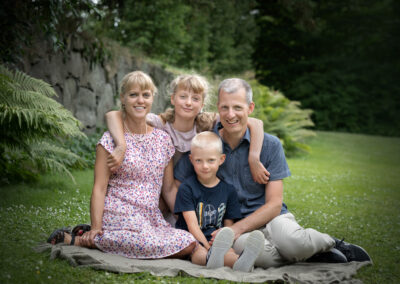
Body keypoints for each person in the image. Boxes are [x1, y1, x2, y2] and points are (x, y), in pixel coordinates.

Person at [174, 78, 372, 268]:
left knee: (294, 243)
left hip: (271, 219)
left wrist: (236, 229)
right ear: (218, 107)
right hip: (234, 227)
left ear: (250, 109)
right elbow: (177, 184)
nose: (230, 114)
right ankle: (311, 254)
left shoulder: (270, 145)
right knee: (261, 258)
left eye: (238, 107)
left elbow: (275, 204)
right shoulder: (207, 146)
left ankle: (331, 243)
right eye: (225, 107)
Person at [47, 71, 196, 260]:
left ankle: (94, 239)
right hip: (119, 211)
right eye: (133, 95)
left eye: (145, 95)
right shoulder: (110, 141)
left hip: (150, 217)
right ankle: (84, 239)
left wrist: (190, 222)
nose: (140, 100)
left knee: (188, 242)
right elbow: (99, 189)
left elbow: (167, 190)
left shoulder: (163, 140)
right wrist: (96, 227)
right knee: (148, 243)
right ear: (123, 99)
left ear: (152, 99)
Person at [105, 74, 269, 223]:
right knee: (156, 217)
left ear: (203, 104)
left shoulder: (206, 123)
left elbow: (256, 122)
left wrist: (253, 157)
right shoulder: (160, 123)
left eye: (195, 99)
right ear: (173, 99)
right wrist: (121, 145)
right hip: (164, 188)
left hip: (195, 188)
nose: (189, 102)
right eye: (183, 97)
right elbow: (114, 115)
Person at [174, 131, 264, 271]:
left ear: (221, 159)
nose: (205, 166)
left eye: (211, 160)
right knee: (198, 252)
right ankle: (212, 258)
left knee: (228, 252)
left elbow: (228, 226)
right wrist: (208, 246)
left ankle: (242, 262)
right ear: (191, 160)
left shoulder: (229, 190)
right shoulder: (187, 188)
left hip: (216, 239)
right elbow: (192, 226)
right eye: (199, 160)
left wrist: (222, 243)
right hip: (192, 238)